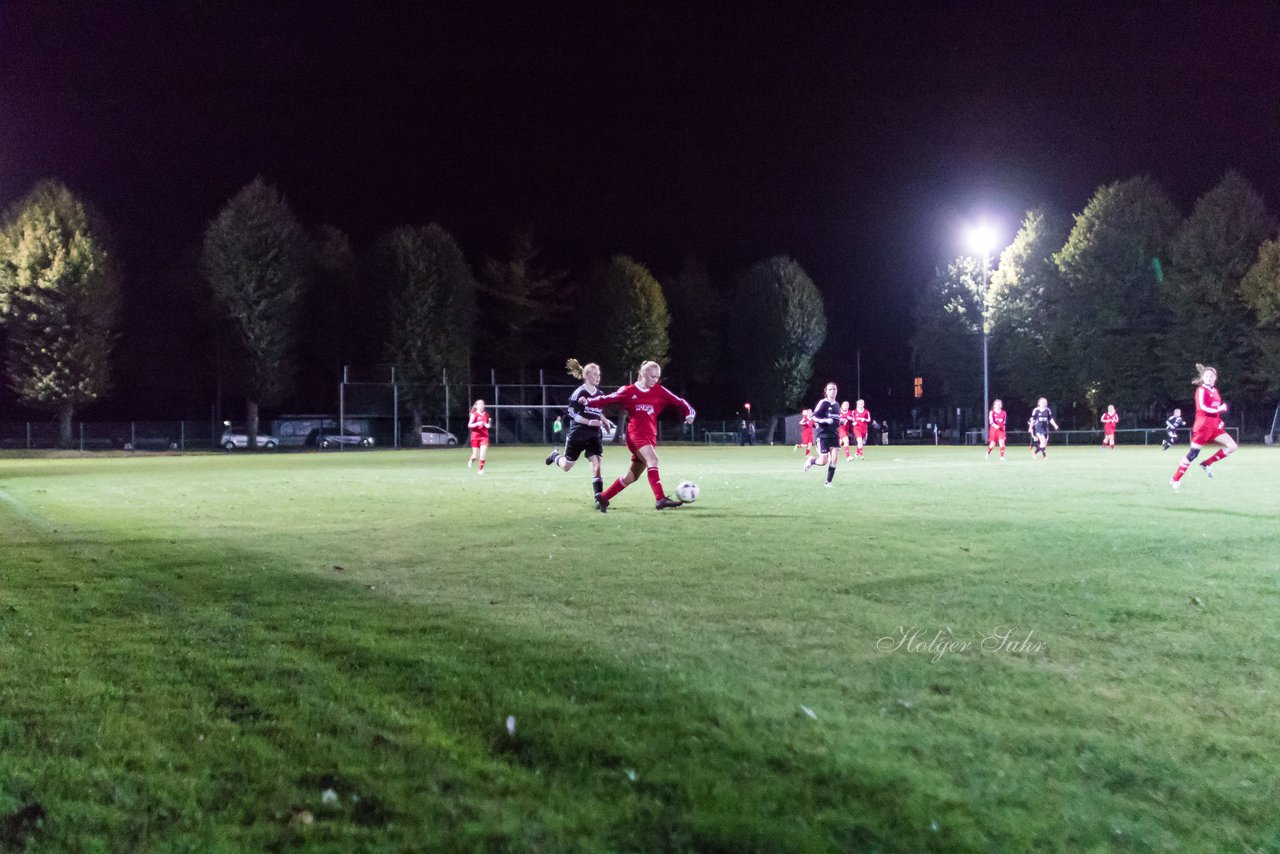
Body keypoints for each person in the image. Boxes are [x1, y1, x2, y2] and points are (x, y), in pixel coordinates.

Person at [584, 360, 696, 510]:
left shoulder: (659, 391)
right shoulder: (628, 391)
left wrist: (689, 413)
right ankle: (660, 499)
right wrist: (588, 401)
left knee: (631, 476)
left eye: (657, 377)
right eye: (652, 377)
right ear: (643, 374)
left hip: (650, 437)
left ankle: (603, 497)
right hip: (635, 434)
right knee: (653, 459)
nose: (655, 380)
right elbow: (607, 399)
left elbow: (680, 402)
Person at [546, 359, 614, 509]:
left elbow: (597, 412)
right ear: (587, 376)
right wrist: (589, 422)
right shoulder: (579, 392)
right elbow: (571, 412)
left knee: (597, 466)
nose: (598, 377)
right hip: (578, 434)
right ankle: (555, 456)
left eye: (599, 374)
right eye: (595, 374)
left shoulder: (600, 393)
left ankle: (599, 499)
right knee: (567, 466)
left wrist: (605, 420)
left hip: (594, 435)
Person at [1171, 364, 1237, 490]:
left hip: (1214, 425)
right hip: (1203, 425)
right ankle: (1175, 478)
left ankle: (1207, 463)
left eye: (1212, 376)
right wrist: (1220, 408)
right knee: (1193, 454)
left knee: (1232, 446)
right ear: (1203, 378)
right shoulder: (1201, 390)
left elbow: (1213, 410)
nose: (1209, 378)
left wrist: (1219, 420)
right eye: (1207, 376)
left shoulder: (1215, 391)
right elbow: (1203, 407)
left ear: (1215, 378)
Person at [803, 382, 842, 486]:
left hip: (834, 434)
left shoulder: (837, 405)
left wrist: (840, 421)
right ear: (826, 391)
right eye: (830, 389)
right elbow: (814, 417)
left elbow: (836, 419)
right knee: (823, 461)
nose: (832, 391)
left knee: (834, 458)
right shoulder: (823, 403)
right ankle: (811, 461)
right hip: (823, 435)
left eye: (834, 389)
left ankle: (828, 482)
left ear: (837, 391)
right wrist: (826, 420)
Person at [467, 399, 491, 473]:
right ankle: (471, 460)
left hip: (484, 436)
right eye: (479, 404)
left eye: (482, 404)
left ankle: (481, 470)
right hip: (475, 436)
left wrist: (487, 425)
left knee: (482, 455)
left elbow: (488, 425)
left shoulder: (486, 414)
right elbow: (469, 425)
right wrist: (477, 424)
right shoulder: (474, 414)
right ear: (476, 406)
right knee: (475, 455)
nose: (481, 405)